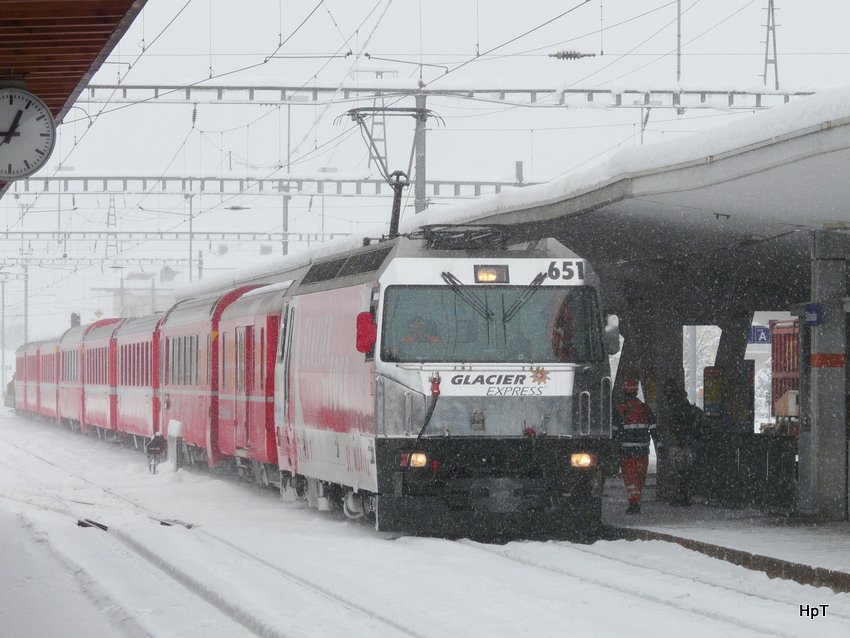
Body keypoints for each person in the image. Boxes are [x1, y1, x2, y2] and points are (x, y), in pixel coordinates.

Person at [613, 377, 658, 514]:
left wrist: (610, 447)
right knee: (639, 476)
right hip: (643, 450)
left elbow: (614, 430)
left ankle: (634, 503)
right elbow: (654, 428)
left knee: (630, 477)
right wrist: (659, 444)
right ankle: (636, 501)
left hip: (626, 451)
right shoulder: (645, 408)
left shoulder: (619, 409)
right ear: (636, 391)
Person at [662, 379, 701, 506]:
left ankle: (679, 496)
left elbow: (675, 426)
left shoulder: (675, 408)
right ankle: (684, 496)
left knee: (678, 471)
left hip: (679, 443)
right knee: (685, 471)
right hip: (687, 443)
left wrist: (678, 440)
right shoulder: (687, 407)